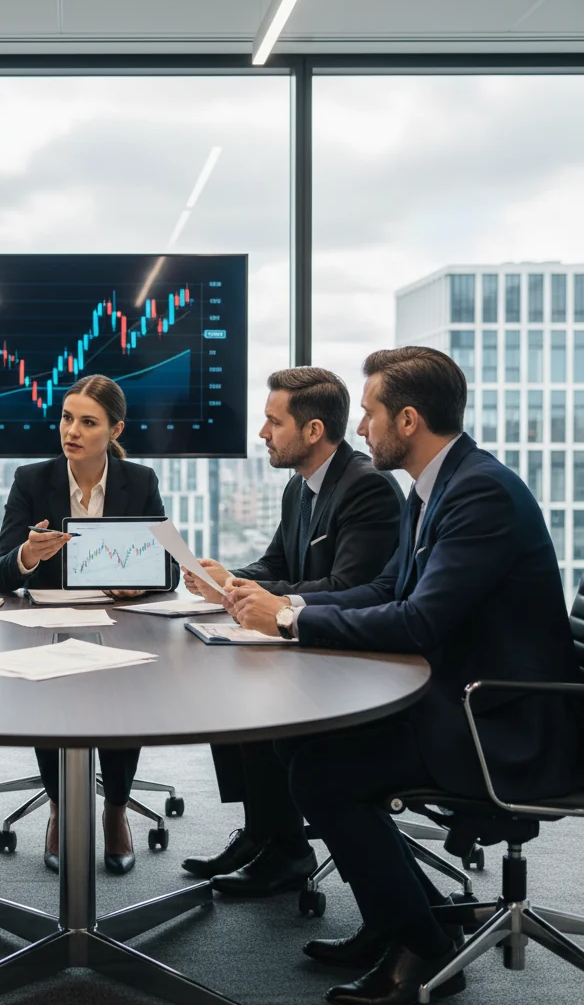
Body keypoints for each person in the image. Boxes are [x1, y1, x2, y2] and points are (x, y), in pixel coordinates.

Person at [227, 347, 583, 1005]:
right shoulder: (437, 485)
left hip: (500, 721)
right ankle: (400, 923)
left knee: (322, 772)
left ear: (410, 420)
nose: (360, 429)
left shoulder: (479, 492)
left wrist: (290, 623)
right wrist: (291, 609)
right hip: (460, 697)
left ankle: (420, 947)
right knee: (298, 742)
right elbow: (388, 588)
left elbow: (419, 623)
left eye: (369, 414)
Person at [179, 368, 403, 897]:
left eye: (272, 422)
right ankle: (266, 835)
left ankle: (286, 849)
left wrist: (272, 605)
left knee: (259, 700)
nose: (262, 434)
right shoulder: (299, 487)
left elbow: (352, 585)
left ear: (313, 430)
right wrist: (230, 580)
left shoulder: (367, 486)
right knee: (232, 681)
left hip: (355, 654)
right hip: (315, 639)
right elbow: (276, 561)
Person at [0, 374, 179, 875]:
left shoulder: (138, 481)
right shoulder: (32, 479)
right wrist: (27, 555)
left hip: (119, 620)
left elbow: (172, 568)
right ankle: (59, 805)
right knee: (48, 696)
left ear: (115, 430)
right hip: (49, 619)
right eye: (67, 418)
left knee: (125, 698)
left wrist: (143, 582)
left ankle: (115, 807)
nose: (71, 430)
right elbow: (0, 571)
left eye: (88, 422)